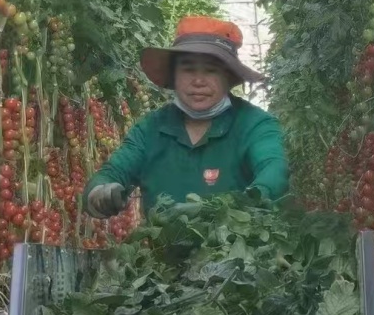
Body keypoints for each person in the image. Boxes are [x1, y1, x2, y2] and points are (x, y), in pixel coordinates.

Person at [84, 16, 289, 219]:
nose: (198, 81)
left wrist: (249, 204)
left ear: (229, 77)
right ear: (173, 76)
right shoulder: (151, 130)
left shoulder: (254, 125)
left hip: (240, 250)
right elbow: (113, 172)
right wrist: (101, 194)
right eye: (188, 69)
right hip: (165, 250)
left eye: (210, 70)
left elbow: (273, 169)